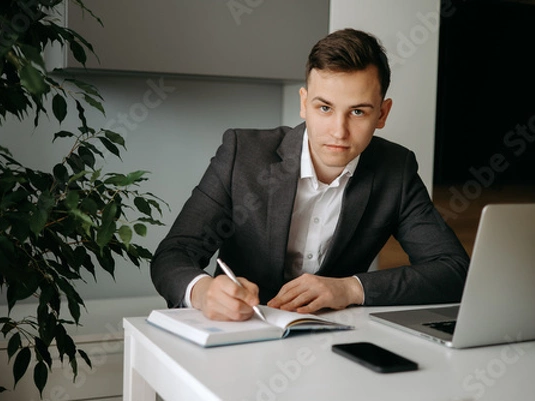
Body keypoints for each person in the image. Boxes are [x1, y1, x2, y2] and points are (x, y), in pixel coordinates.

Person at [150, 28, 469, 321]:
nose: (339, 131)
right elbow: (173, 254)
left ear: (382, 114)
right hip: (239, 331)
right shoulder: (241, 153)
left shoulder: (395, 170)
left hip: (331, 340)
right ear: (304, 104)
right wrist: (204, 292)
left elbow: (453, 271)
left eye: (357, 111)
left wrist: (349, 289)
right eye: (325, 108)